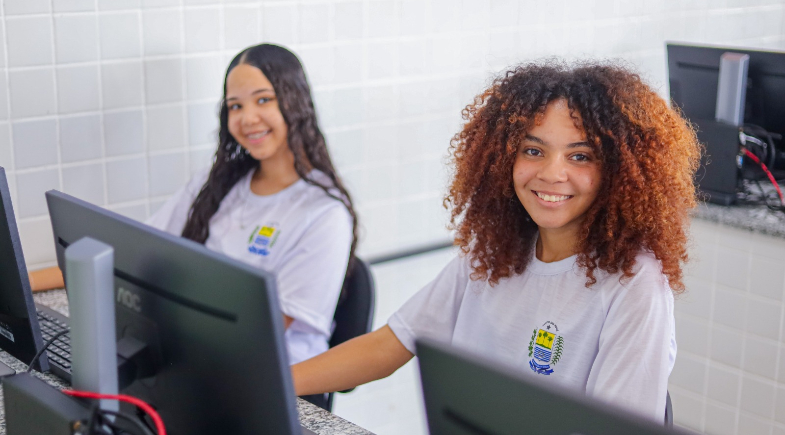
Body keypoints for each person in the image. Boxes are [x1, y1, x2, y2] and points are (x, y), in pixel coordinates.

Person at [292, 60, 700, 421]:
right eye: (533, 150)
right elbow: (389, 346)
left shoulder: (635, 282)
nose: (552, 173)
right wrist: (272, 380)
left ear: (619, 171)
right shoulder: (492, 253)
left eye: (580, 156)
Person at [30, 44, 358, 372]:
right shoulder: (214, 183)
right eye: (235, 106)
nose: (247, 118)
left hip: (266, 380)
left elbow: (258, 335)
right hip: (194, 357)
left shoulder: (324, 214)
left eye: (263, 100)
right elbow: (129, 253)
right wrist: (26, 281)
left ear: (295, 101)